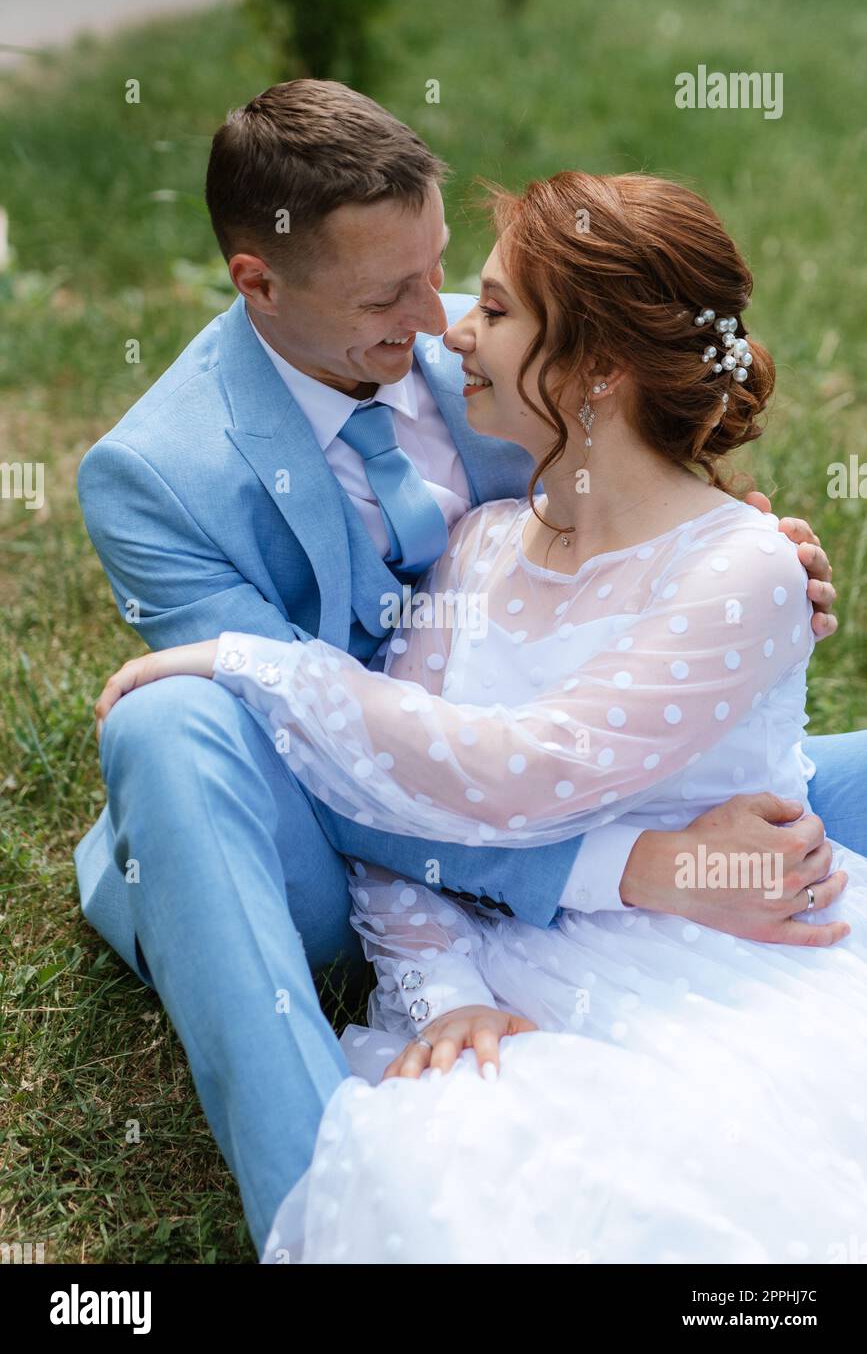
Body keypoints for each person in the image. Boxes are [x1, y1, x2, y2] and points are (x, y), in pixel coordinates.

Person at [78, 80, 859, 1259]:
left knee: (799, 807)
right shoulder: (155, 474)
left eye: (446, 273)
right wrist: (632, 867)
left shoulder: (501, 352)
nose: (439, 321)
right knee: (170, 724)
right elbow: (364, 765)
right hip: (329, 822)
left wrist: (749, 571)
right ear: (260, 281)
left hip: (580, 766)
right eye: (392, 295)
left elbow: (630, 506)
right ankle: (307, 1188)